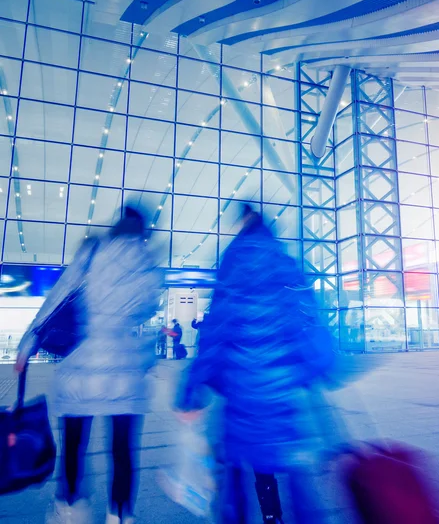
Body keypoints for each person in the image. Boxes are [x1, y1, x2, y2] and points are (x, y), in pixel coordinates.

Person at [176, 204, 335, 524]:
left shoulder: (232, 262)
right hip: (279, 388)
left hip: (240, 387)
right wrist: (320, 364)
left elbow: (217, 329)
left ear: (242, 223)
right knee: (281, 460)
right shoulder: (285, 261)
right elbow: (308, 318)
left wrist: (193, 387)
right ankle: (275, 517)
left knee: (234, 464)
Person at [16, 206, 162, 524]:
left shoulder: (93, 250)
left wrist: (28, 342)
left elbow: (58, 296)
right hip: (125, 371)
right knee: (122, 450)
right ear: (142, 231)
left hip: (82, 366)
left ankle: (71, 509)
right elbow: (149, 307)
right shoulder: (148, 263)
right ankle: (119, 515)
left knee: (74, 444)